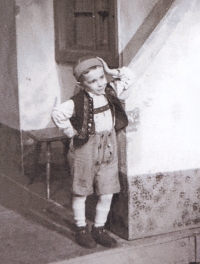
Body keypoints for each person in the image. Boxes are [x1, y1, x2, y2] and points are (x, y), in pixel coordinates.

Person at [52, 56, 134, 249]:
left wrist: (112, 72)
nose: (99, 84)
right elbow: (57, 113)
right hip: (85, 149)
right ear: (82, 84)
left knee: (107, 191)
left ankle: (99, 228)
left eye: (101, 78)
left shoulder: (110, 91)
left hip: (109, 147)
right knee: (81, 191)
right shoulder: (77, 101)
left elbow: (130, 76)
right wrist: (70, 132)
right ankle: (81, 228)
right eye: (93, 81)